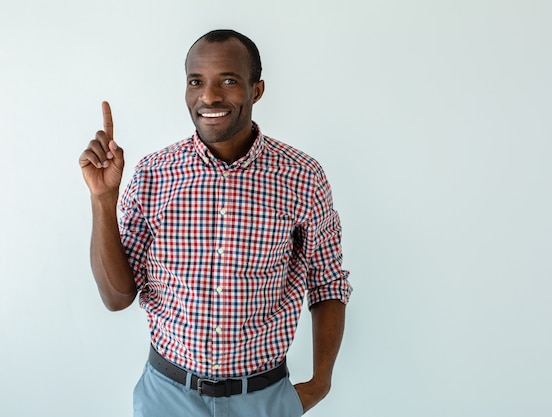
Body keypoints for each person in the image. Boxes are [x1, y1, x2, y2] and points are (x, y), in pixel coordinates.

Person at [79, 29, 352, 417]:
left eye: (228, 80)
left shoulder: (301, 176)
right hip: (166, 397)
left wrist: (320, 383)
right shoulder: (153, 174)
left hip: (263, 398)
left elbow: (327, 283)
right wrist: (103, 200)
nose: (208, 97)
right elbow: (117, 298)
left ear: (256, 90)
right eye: (196, 82)